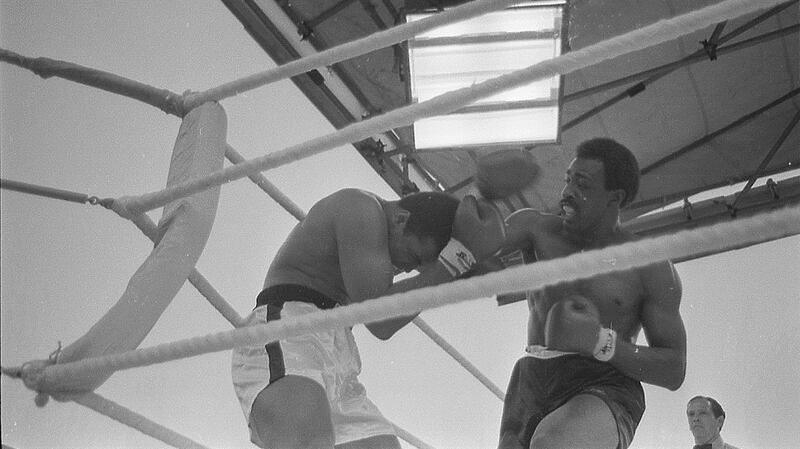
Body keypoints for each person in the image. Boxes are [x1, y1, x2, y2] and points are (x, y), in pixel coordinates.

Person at [232, 188, 505, 449]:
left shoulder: (379, 245)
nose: (408, 269)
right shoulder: (360, 208)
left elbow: (386, 319)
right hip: (290, 330)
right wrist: (456, 260)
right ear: (401, 219)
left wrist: (470, 259)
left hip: (338, 351)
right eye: (413, 256)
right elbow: (379, 319)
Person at [496, 138, 687, 449]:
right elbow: (473, 253)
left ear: (615, 197)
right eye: (568, 180)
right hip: (531, 378)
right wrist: (487, 195)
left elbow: (674, 369)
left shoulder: (648, 267)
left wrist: (601, 343)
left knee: (551, 444)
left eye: (581, 183)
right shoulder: (536, 229)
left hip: (604, 383)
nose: (567, 192)